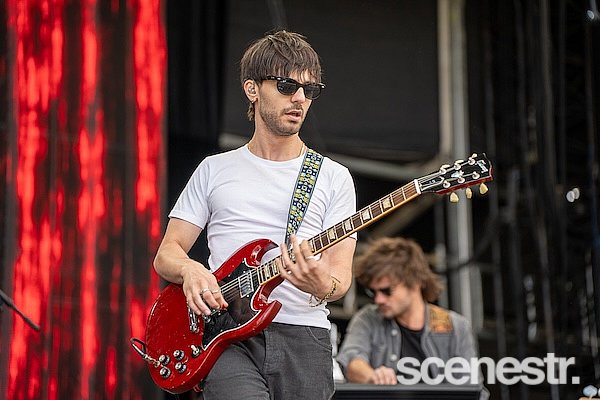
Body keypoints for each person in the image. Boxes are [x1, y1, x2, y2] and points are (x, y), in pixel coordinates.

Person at [153, 30, 357, 400]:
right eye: (286, 86)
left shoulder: (333, 177)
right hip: (224, 334)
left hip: (304, 336)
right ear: (252, 89)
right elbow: (167, 254)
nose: (299, 98)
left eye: (309, 90)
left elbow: (340, 280)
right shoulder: (214, 169)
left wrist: (320, 284)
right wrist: (191, 270)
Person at [336, 236, 488, 398]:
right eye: (373, 292)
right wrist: (373, 377)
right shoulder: (367, 318)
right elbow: (352, 362)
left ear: (415, 282)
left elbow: (472, 389)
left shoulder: (456, 326)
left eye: (387, 291)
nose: (378, 299)